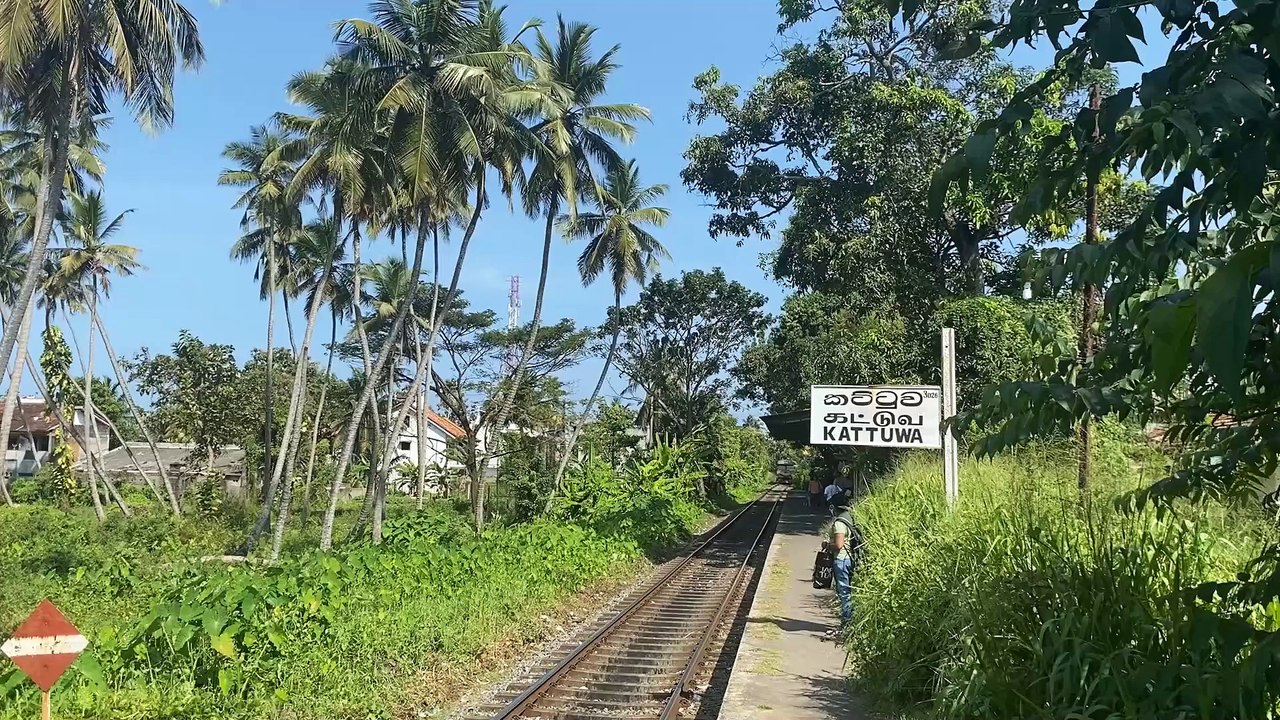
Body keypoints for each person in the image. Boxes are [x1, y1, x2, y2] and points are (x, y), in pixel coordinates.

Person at [827, 496, 859, 634]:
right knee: (847, 591)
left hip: (841, 560)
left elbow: (839, 545)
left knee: (844, 592)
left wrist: (828, 545)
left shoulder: (840, 523)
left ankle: (847, 623)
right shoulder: (849, 518)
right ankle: (848, 620)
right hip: (849, 558)